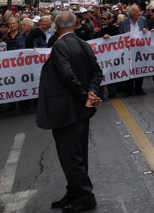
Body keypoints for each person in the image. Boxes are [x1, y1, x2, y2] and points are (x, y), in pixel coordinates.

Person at [36, 11, 102, 212]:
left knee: (70, 156)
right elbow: (96, 72)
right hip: (81, 109)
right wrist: (91, 92)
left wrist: (85, 96)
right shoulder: (83, 43)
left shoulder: (59, 46)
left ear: (56, 26)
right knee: (78, 155)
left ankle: (85, 196)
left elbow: (67, 75)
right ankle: (74, 191)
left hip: (67, 110)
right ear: (74, 25)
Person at [118, 5, 148, 96]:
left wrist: (145, 30)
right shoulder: (123, 22)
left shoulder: (142, 20)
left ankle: (139, 88)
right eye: (136, 12)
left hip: (140, 49)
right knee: (129, 69)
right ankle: (129, 89)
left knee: (139, 69)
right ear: (131, 13)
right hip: (129, 49)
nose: (138, 13)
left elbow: (148, 31)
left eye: (138, 11)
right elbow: (120, 35)